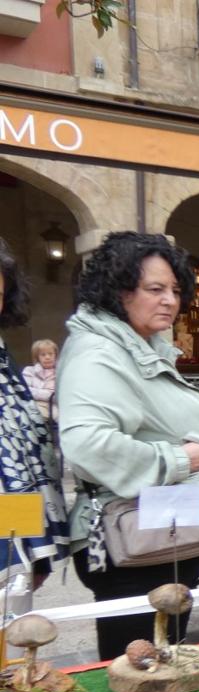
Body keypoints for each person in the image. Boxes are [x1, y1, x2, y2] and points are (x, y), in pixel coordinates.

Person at [57, 232, 199, 660]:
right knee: (137, 669)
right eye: (155, 289)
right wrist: (178, 459)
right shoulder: (99, 352)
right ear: (118, 290)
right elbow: (86, 442)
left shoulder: (139, 346)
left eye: (174, 289)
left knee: (165, 663)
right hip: (132, 542)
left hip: (161, 535)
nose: (170, 300)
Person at [0, 241, 68, 598]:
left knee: (14, 637)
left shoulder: (4, 364)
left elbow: (21, 463)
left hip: (11, 538)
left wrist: (35, 552)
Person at [21, 338, 57, 419]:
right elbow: (25, 390)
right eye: (43, 355)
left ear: (56, 355)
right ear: (37, 357)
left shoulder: (61, 372)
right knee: (37, 417)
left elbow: (61, 395)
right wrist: (49, 394)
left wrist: (38, 392)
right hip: (36, 404)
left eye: (51, 354)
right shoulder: (29, 371)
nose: (47, 357)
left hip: (56, 406)